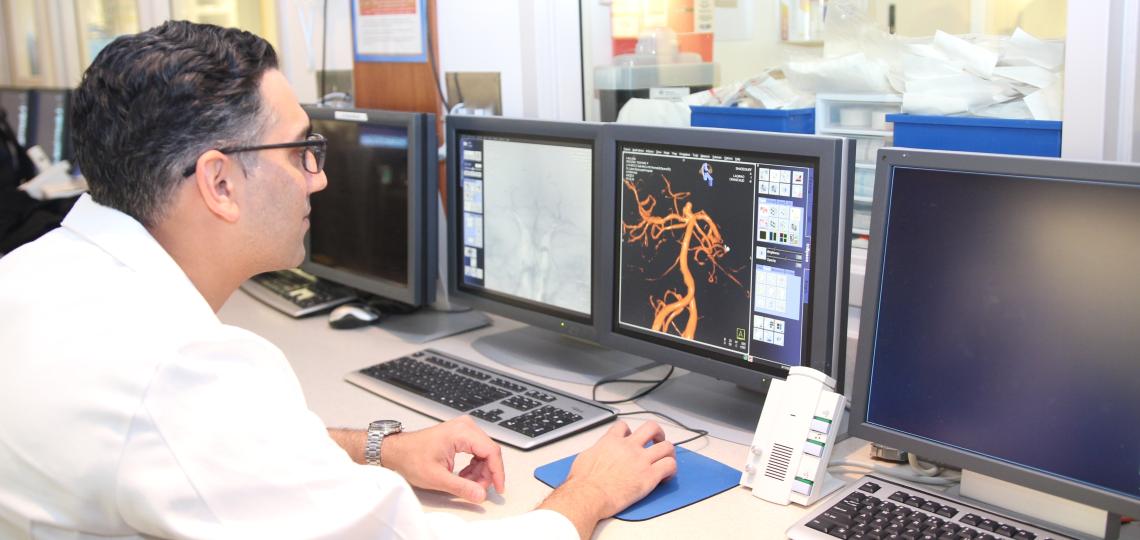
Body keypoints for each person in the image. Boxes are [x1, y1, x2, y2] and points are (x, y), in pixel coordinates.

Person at [0, 21, 676, 540]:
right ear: (219, 182)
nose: (319, 178)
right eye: (301, 152)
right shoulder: (184, 368)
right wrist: (589, 493)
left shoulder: (35, 274)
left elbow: (232, 454)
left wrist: (382, 448)